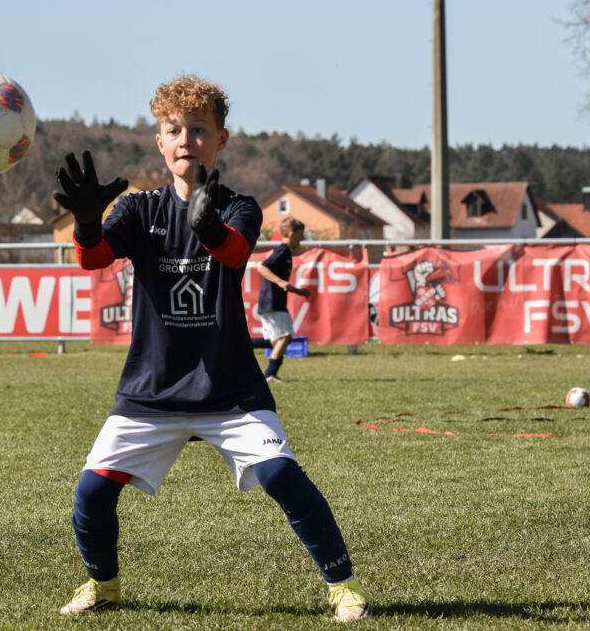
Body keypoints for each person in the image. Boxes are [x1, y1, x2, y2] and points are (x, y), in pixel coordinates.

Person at [53, 75, 372, 622]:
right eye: (174, 129)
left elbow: (234, 253)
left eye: (199, 130)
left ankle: (343, 587)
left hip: (229, 388)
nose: (187, 140)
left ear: (221, 138)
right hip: (152, 389)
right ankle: (103, 586)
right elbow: (93, 259)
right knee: (92, 493)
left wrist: (207, 225)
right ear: (159, 140)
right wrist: (86, 222)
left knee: (282, 476)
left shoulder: (240, 206)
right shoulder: (139, 210)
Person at [255, 216, 310, 383]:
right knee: (285, 337)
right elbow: (262, 268)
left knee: (276, 340)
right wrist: (279, 281)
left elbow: (284, 284)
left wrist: (299, 291)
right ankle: (269, 374)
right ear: (292, 234)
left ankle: (239, 344)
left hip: (274, 301)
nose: (302, 238)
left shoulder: (286, 252)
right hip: (272, 302)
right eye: (301, 234)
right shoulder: (282, 250)